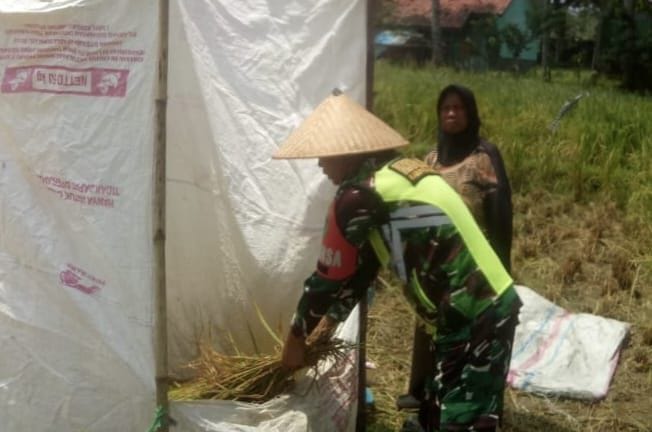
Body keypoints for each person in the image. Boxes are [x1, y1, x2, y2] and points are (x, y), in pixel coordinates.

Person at [274, 90, 521, 432]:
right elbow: (365, 268)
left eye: (324, 156)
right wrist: (329, 323)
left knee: (463, 419)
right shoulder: (398, 173)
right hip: (475, 306)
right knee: (441, 408)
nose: (320, 165)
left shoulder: (358, 196)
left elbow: (328, 277)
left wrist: (297, 336)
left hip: (476, 310)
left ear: (346, 153)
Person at [403, 84, 514, 427]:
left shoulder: (484, 157)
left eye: (458, 108)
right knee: (431, 332)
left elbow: (500, 214)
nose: (451, 113)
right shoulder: (431, 159)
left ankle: (476, 410)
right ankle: (427, 400)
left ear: (470, 113)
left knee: (475, 340)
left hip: (474, 266)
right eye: (446, 108)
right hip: (436, 265)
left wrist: (500, 268)